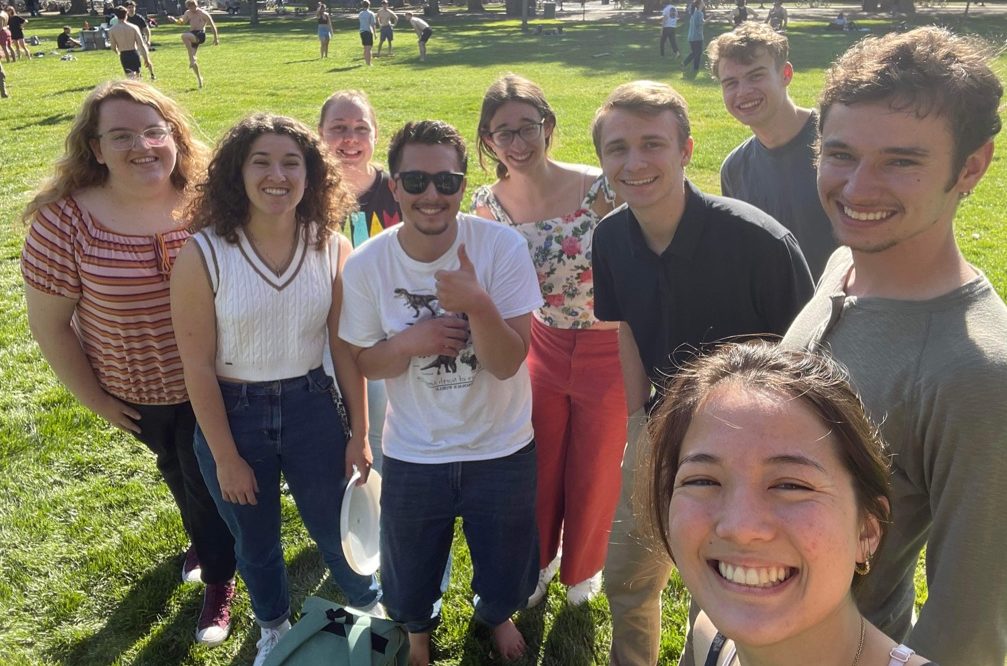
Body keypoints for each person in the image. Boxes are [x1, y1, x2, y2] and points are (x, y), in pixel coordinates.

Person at [783, 27, 1007, 666]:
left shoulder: (978, 373)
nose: (856, 190)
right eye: (840, 153)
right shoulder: (842, 266)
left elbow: (970, 631)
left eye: (901, 161)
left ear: (972, 165)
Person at [589, 80, 814, 666]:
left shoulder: (759, 242)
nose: (634, 163)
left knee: (719, 592)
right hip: (659, 422)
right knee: (626, 575)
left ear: (687, 150)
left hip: (749, 440)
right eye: (617, 149)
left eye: (652, 144)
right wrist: (638, 421)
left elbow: (806, 361)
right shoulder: (610, 238)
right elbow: (628, 332)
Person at [20, 79, 238, 649]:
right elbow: (49, 326)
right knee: (179, 468)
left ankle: (220, 577)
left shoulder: (211, 199)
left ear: (175, 136)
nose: (142, 146)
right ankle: (205, 540)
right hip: (141, 390)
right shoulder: (65, 223)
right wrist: (98, 400)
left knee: (208, 477)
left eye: (153, 131)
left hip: (226, 378)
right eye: (120, 136)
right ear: (94, 148)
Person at [171, 113, 381, 666]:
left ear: (312, 175)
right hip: (233, 416)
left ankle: (373, 608)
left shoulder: (332, 247)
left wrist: (360, 433)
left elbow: (345, 351)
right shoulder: (203, 253)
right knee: (257, 544)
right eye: (260, 162)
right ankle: (273, 626)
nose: (277, 175)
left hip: (313, 406)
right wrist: (225, 457)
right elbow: (196, 366)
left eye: (292, 162)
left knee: (339, 527)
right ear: (236, 174)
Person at [339, 120, 541, 666]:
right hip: (415, 448)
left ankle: (495, 614)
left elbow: (506, 364)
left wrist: (478, 303)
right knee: (408, 565)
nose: (432, 195)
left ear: (462, 183)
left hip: (500, 445)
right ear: (396, 185)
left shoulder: (500, 247)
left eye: (447, 182)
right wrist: (410, 341)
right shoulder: (367, 265)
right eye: (417, 181)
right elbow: (365, 360)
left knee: (506, 559)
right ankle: (419, 634)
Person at [649, 341, 937, 666]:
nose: (740, 528)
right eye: (703, 480)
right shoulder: (713, 640)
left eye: (790, 485)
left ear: (866, 532)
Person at [471, 75, 624, 607]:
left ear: (549, 126)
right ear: (488, 140)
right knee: (536, 461)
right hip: (540, 346)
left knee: (597, 464)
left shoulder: (599, 187)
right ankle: (536, 561)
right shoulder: (486, 205)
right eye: (502, 132)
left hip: (608, 348)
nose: (517, 142)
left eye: (527, 127)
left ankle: (583, 568)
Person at [708, 22, 835, 280]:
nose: (743, 92)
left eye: (756, 76)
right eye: (730, 82)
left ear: (785, 74)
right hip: (781, 316)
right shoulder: (734, 170)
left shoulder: (837, 145)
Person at [318, 88, 402, 472]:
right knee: (333, 428)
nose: (349, 138)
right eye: (338, 128)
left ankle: (381, 503)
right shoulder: (305, 193)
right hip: (324, 335)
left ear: (375, 135)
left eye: (360, 128)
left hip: (386, 332)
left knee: (383, 426)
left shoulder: (399, 189)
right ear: (319, 133)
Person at [167, 0, 219, 89]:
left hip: (200, 34)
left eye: (194, 6)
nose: (192, 8)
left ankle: (192, 58)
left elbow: (212, 25)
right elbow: (182, 22)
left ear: (196, 5)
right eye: (190, 7)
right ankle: (199, 79)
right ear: (188, 7)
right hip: (192, 34)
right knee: (193, 62)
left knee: (184, 36)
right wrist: (174, 20)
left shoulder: (203, 13)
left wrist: (216, 38)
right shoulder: (188, 13)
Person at [109, 6, 155, 80]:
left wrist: (117, 52)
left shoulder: (112, 30)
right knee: (138, 76)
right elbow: (141, 44)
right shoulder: (134, 27)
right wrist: (146, 59)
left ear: (116, 16)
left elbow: (113, 47)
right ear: (126, 15)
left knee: (130, 77)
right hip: (134, 53)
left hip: (124, 54)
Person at [681, 0, 703, 73]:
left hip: (691, 37)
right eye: (702, 2)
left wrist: (710, 17)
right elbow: (699, 25)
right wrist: (701, 35)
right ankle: (695, 68)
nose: (704, 3)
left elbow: (702, 22)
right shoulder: (700, 13)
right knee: (698, 53)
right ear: (699, 4)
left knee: (694, 52)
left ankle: (684, 63)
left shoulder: (694, 13)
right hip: (697, 37)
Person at [358, 0, 376, 65]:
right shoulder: (371, 13)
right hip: (368, 31)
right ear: (369, 5)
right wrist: (375, 33)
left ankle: (366, 61)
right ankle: (369, 63)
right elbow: (372, 24)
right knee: (369, 48)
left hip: (362, 32)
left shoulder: (360, 13)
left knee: (365, 47)